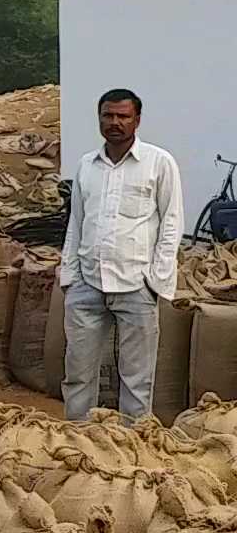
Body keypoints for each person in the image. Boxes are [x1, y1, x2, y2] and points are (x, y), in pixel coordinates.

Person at [60, 89, 182, 422]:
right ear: (99, 118)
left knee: (137, 380)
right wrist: (69, 277)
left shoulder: (159, 163)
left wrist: (156, 280)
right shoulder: (87, 165)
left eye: (123, 116)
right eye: (108, 115)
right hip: (87, 285)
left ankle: (133, 451)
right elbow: (77, 223)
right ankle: (78, 443)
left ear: (137, 120)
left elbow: (172, 223)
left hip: (136, 286)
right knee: (78, 374)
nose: (115, 123)